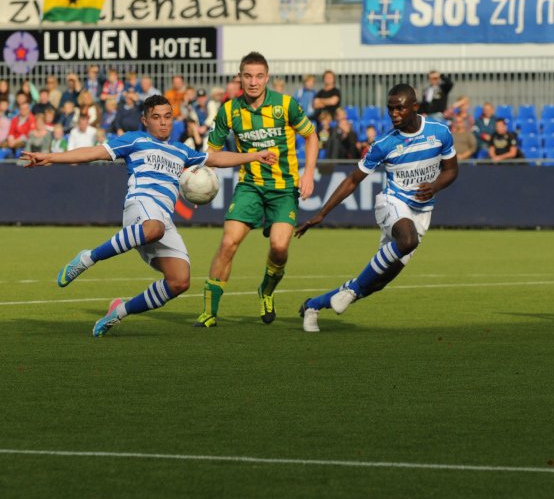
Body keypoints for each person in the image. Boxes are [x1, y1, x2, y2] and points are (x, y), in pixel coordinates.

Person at [21, 95, 278, 337]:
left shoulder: (182, 151)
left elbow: (218, 158)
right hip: (140, 206)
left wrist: (255, 155)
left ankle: (118, 312)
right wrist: (51, 157)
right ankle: (87, 258)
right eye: (157, 117)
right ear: (145, 120)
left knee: (179, 281)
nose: (164, 121)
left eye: (168, 116)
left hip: (163, 219)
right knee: (153, 228)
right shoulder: (135, 140)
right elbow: (93, 152)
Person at [296, 83, 458, 332]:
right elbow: (352, 180)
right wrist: (321, 214)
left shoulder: (440, 133)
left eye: (400, 108)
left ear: (415, 107)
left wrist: (435, 186)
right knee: (407, 240)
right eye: (390, 109)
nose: (394, 114)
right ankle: (349, 290)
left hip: (422, 212)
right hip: (392, 202)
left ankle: (313, 305)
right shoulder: (384, 143)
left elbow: (452, 171)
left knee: (375, 283)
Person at [195, 52, 320, 328]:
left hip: (284, 188)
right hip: (250, 187)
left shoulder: (286, 105)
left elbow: (311, 136)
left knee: (279, 247)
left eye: (258, 76)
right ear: (240, 77)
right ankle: (208, 312)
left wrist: (308, 173)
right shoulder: (229, 110)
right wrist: (200, 183)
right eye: (247, 76)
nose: (253, 82)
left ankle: (266, 290)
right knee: (228, 243)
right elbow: (212, 154)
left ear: (267, 78)